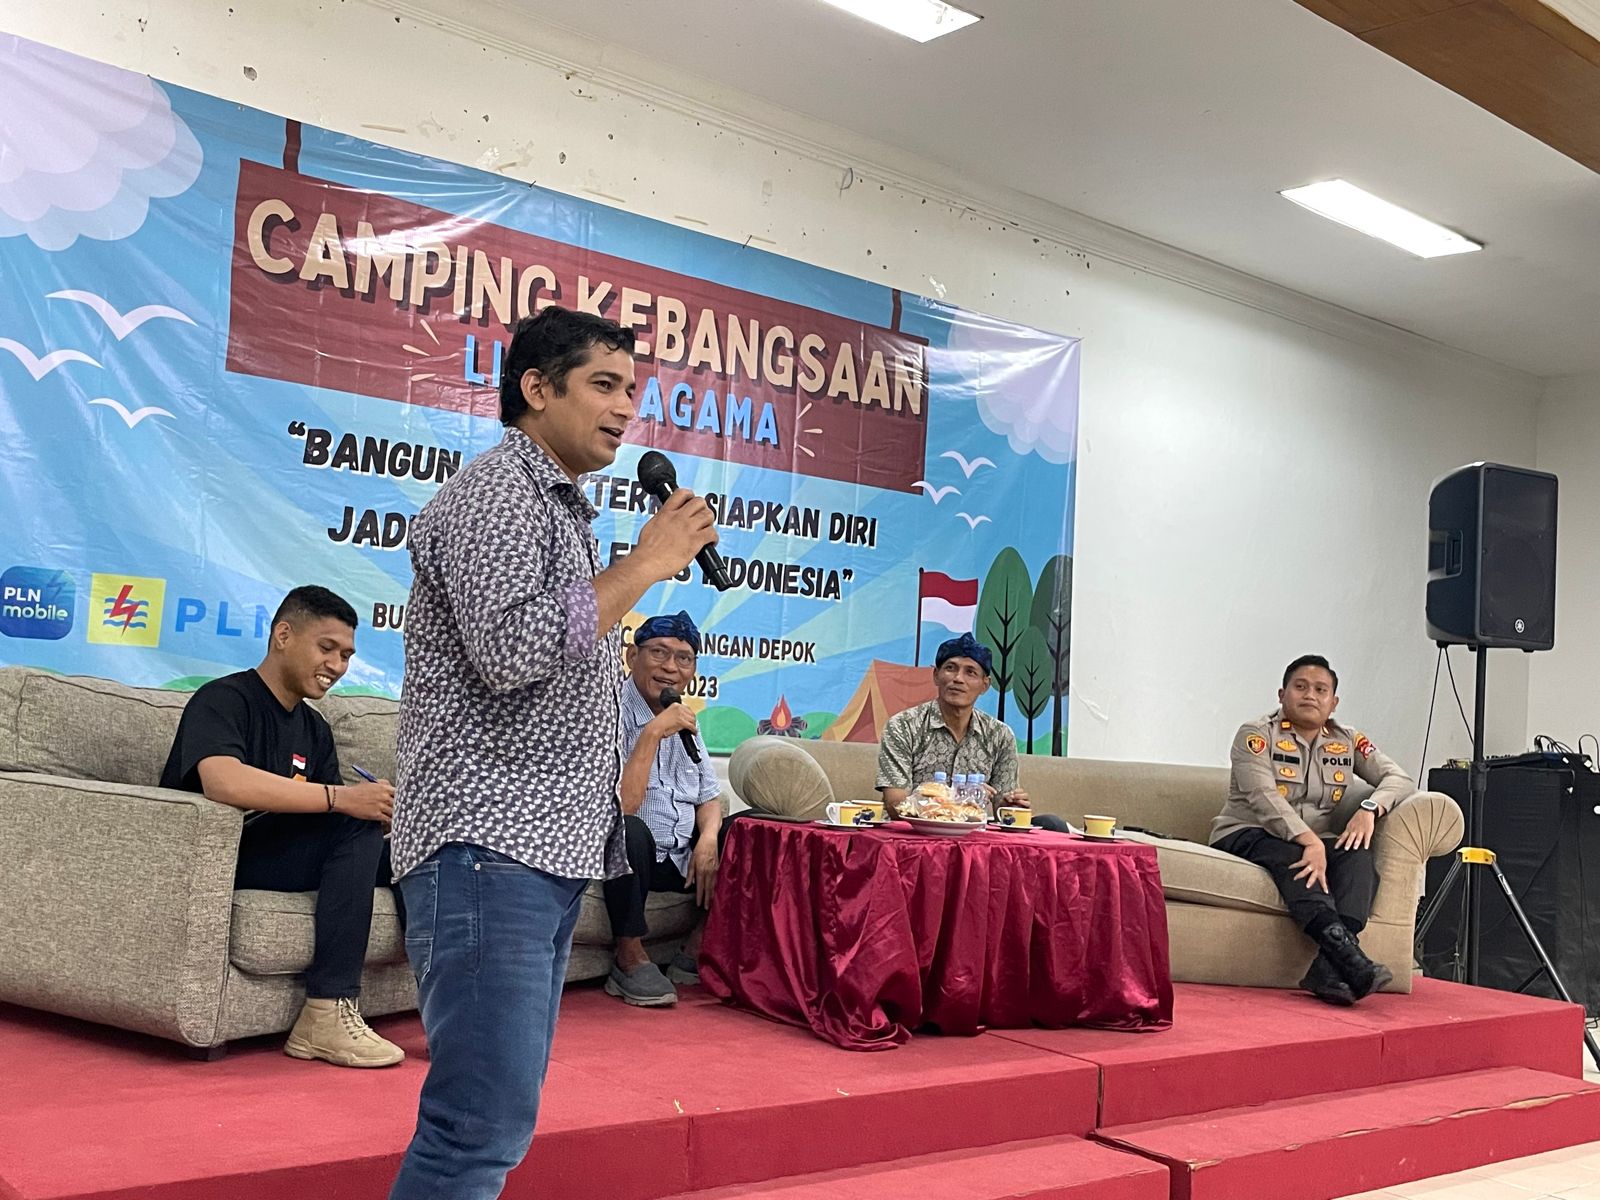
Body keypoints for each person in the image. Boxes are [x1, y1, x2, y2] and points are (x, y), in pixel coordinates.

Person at [388, 306, 716, 1200]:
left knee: (495, 1120)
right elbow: (511, 650)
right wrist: (644, 565)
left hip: (535, 850)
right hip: (488, 844)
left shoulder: (557, 506)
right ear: (536, 388)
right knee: (475, 1127)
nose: (625, 409)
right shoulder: (498, 494)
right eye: (603, 385)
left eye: (632, 391)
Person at [158, 585, 402, 1067]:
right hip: (222, 858)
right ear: (283, 636)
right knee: (352, 826)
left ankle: (448, 1002)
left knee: (418, 851)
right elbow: (223, 781)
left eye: (346, 655)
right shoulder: (223, 698)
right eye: (327, 648)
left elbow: (330, 820)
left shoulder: (315, 728)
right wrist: (343, 800)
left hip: (285, 856)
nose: (337, 665)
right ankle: (326, 1012)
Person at [1210, 654, 1416, 1006]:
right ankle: (1348, 959)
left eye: (1321, 690)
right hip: (1246, 832)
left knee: (1356, 854)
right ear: (1282, 694)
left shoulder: (1346, 740)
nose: (1310, 695)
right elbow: (1263, 797)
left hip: (1314, 840)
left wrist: (1369, 809)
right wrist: (1310, 842)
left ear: (1333, 703)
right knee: (1294, 854)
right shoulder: (1256, 734)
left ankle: (1329, 966)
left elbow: (1399, 778)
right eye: (1300, 686)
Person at [601, 610, 723, 1007]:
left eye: (683, 658)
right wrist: (652, 732)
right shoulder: (608, 713)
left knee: (747, 830)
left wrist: (708, 838)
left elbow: (708, 796)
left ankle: (695, 947)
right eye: (659, 653)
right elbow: (623, 804)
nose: (671, 667)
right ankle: (629, 958)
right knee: (628, 829)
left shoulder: (685, 717)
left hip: (680, 857)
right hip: (631, 855)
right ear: (632, 656)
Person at [875, 632, 1068, 830]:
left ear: (985, 685)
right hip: (914, 835)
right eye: (950, 668)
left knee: (1052, 824)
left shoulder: (999, 735)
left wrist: (1009, 807)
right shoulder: (903, 726)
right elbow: (896, 804)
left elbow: (1003, 810)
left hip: (973, 838)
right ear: (936, 676)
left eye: (970, 672)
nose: (958, 679)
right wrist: (959, 798)